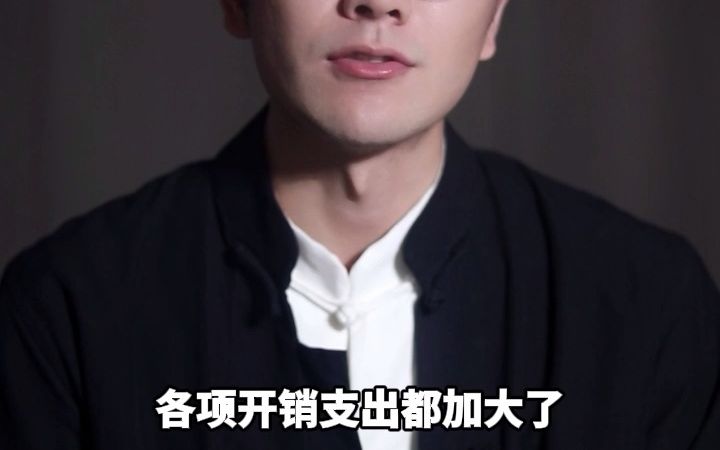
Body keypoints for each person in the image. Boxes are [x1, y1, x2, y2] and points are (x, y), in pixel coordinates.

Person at [1, 0, 718, 449]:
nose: (378, 5)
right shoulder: (69, 309)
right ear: (236, 4)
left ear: (494, 18)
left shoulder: (646, 302)